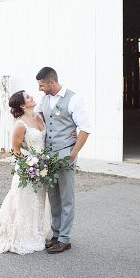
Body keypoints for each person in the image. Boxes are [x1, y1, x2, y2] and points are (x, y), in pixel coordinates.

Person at [35, 65, 92, 253]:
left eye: (42, 85)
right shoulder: (44, 99)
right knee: (53, 197)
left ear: (52, 82)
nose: (39, 88)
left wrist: (73, 153)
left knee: (66, 197)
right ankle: (56, 234)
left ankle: (65, 239)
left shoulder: (74, 99)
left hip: (66, 153)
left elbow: (85, 128)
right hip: (48, 155)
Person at [0, 90, 50, 254]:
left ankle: (37, 232)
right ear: (22, 105)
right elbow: (15, 150)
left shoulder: (39, 117)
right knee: (23, 201)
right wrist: (30, 164)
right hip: (29, 168)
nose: (32, 97)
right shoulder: (21, 125)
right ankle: (20, 236)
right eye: (28, 97)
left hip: (42, 166)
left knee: (39, 200)